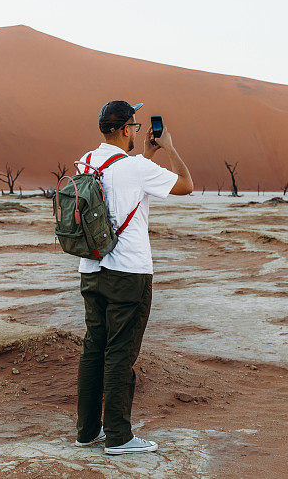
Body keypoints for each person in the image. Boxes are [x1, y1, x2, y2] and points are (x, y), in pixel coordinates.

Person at [73, 100, 193, 455]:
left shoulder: (85, 161)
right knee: (121, 353)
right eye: (136, 126)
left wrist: (144, 155)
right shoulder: (138, 168)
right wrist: (168, 148)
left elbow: (121, 183)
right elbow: (186, 185)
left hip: (91, 270)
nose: (138, 131)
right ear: (126, 128)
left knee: (93, 349)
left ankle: (86, 431)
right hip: (129, 273)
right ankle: (119, 437)